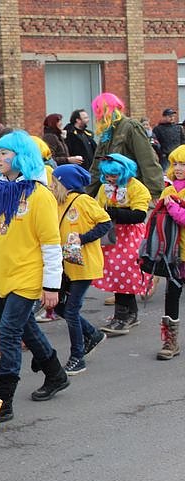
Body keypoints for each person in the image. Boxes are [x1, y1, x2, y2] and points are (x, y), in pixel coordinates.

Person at [0, 130, 69, 423]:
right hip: (3, 277)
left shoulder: (40, 195)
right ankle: (55, 374)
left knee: (10, 333)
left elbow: (51, 246)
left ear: (22, 157)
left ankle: (4, 400)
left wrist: (52, 285)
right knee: (26, 328)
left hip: (27, 278)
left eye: (5, 153)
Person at [48, 165, 112, 374]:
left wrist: (82, 238)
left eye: (55, 183)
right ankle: (92, 334)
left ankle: (78, 356)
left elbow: (105, 223)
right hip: (66, 264)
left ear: (66, 184)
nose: (51, 186)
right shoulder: (57, 203)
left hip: (84, 264)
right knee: (58, 306)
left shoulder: (83, 201)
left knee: (72, 310)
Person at [92, 153, 152, 336]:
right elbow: (97, 207)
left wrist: (115, 213)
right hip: (113, 235)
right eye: (107, 175)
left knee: (124, 272)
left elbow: (140, 215)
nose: (110, 179)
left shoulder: (136, 188)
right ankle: (131, 314)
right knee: (118, 273)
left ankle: (121, 318)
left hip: (131, 235)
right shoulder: (105, 188)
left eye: (114, 175)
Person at [88, 93, 163, 198]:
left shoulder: (130, 127)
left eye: (101, 110)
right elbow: (97, 167)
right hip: (113, 191)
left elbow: (148, 160)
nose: (99, 115)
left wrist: (156, 192)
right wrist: (84, 195)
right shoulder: (107, 133)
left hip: (133, 190)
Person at [153, 145, 185, 359]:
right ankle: (170, 342)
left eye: (183, 164)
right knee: (171, 295)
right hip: (173, 253)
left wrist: (172, 207)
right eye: (175, 164)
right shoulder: (168, 188)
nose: (179, 168)